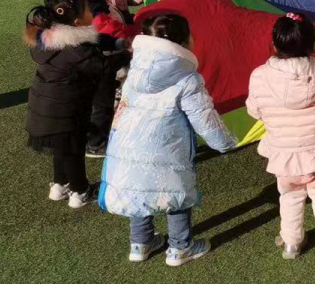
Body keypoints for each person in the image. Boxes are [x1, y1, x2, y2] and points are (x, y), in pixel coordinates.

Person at [99, 14, 237, 266]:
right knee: (176, 194)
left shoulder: (135, 71)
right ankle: (180, 248)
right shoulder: (187, 79)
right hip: (167, 148)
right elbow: (204, 119)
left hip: (127, 146)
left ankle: (140, 243)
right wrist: (225, 142)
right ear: (184, 43)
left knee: (138, 190)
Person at [246, 13, 315, 261]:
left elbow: (254, 110)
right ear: (313, 45)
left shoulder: (259, 75)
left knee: (290, 195)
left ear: (274, 45)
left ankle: (291, 242)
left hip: (283, 151)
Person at [24, 0, 107, 209]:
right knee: (74, 150)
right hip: (66, 111)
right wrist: (125, 54)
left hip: (44, 109)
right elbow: (102, 68)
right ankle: (80, 192)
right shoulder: (78, 50)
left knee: (62, 149)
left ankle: (59, 185)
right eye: (89, 10)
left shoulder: (47, 41)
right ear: (77, 22)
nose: (93, 13)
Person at [53, 0, 134, 157]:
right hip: (90, 60)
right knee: (101, 102)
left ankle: (88, 137)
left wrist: (117, 41)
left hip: (82, 59)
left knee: (88, 101)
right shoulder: (81, 4)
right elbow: (93, 33)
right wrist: (120, 40)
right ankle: (96, 144)